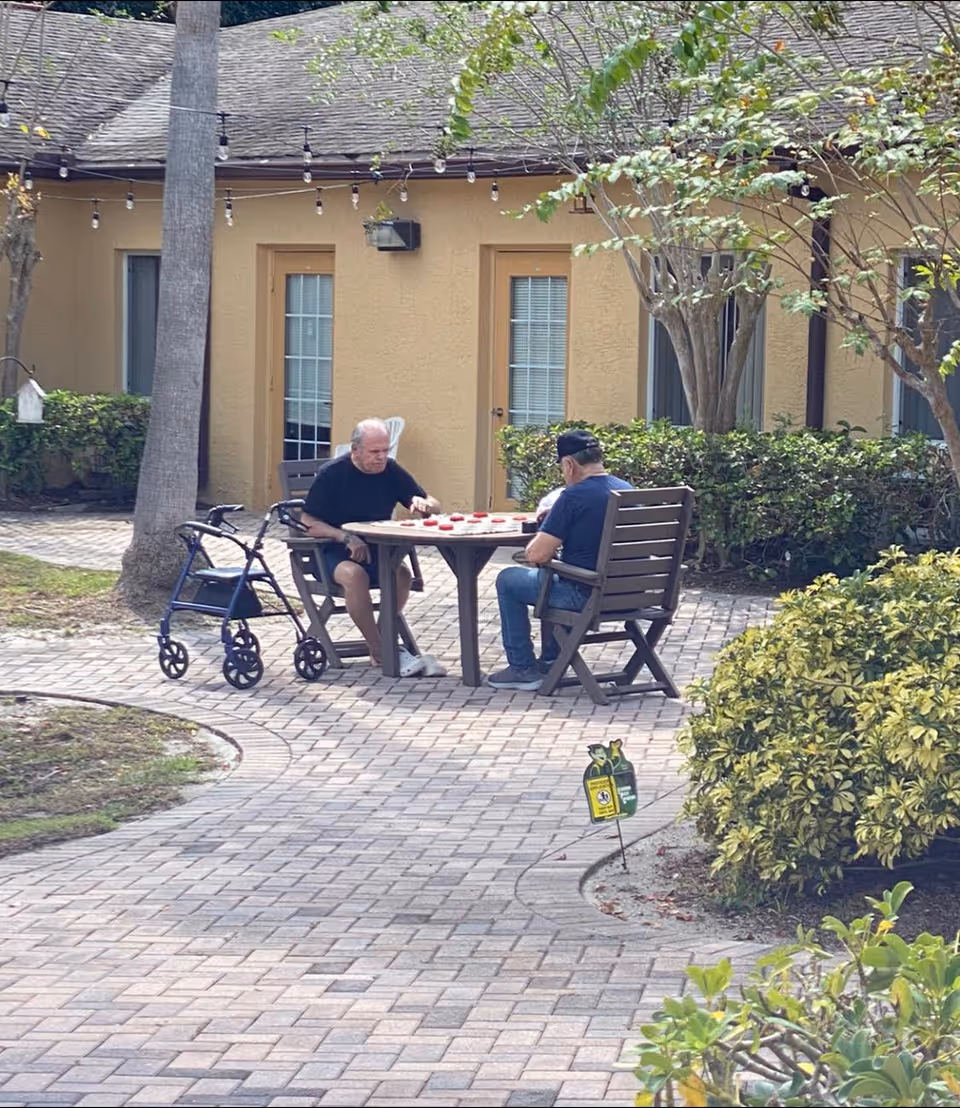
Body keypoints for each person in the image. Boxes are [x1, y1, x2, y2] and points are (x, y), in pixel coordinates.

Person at [487, 429, 633, 691]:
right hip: (631, 594)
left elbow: (536, 555)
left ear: (569, 464)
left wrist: (551, 525)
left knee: (509, 579)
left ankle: (522, 668)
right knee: (554, 576)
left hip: (586, 595)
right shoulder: (626, 490)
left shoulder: (573, 496)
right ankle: (552, 661)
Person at [300, 418, 444, 677]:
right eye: (374, 452)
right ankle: (379, 649)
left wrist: (422, 504)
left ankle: (384, 638)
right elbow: (307, 521)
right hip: (332, 551)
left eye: (385, 451)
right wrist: (343, 537)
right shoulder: (333, 474)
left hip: (377, 550)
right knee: (355, 576)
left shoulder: (390, 470)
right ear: (355, 450)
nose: (381, 457)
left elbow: (432, 502)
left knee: (401, 575)